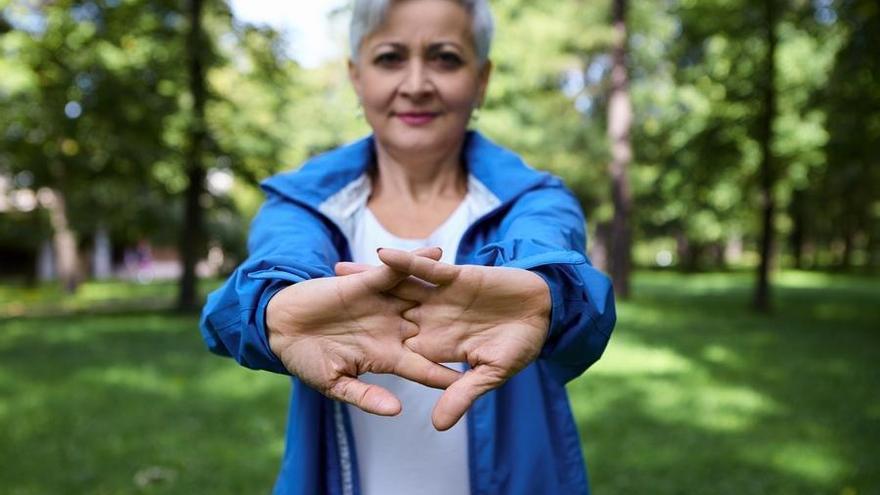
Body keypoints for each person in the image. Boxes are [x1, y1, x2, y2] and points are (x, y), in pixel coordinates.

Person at [199, 0, 616, 494]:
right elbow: (275, 266)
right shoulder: (301, 205)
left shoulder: (535, 199)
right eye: (390, 57)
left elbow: (551, 256)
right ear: (357, 77)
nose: (416, 84)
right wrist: (271, 309)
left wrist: (547, 294)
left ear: (481, 79)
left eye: (445, 57)